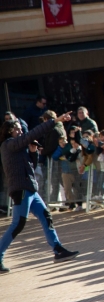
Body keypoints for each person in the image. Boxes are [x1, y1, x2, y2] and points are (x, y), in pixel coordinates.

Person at [0, 111, 79, 273]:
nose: (21, 131)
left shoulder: (19, 147)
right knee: (18, 224)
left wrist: (34, 152)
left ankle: (58, 250)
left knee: (46, 216)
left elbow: (31, 167)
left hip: (30, 189)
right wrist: (55, 121)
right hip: (21, 190)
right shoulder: (9, 144)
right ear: (9, 131)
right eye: (17, 129)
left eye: (21, 129)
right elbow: (33, 133)